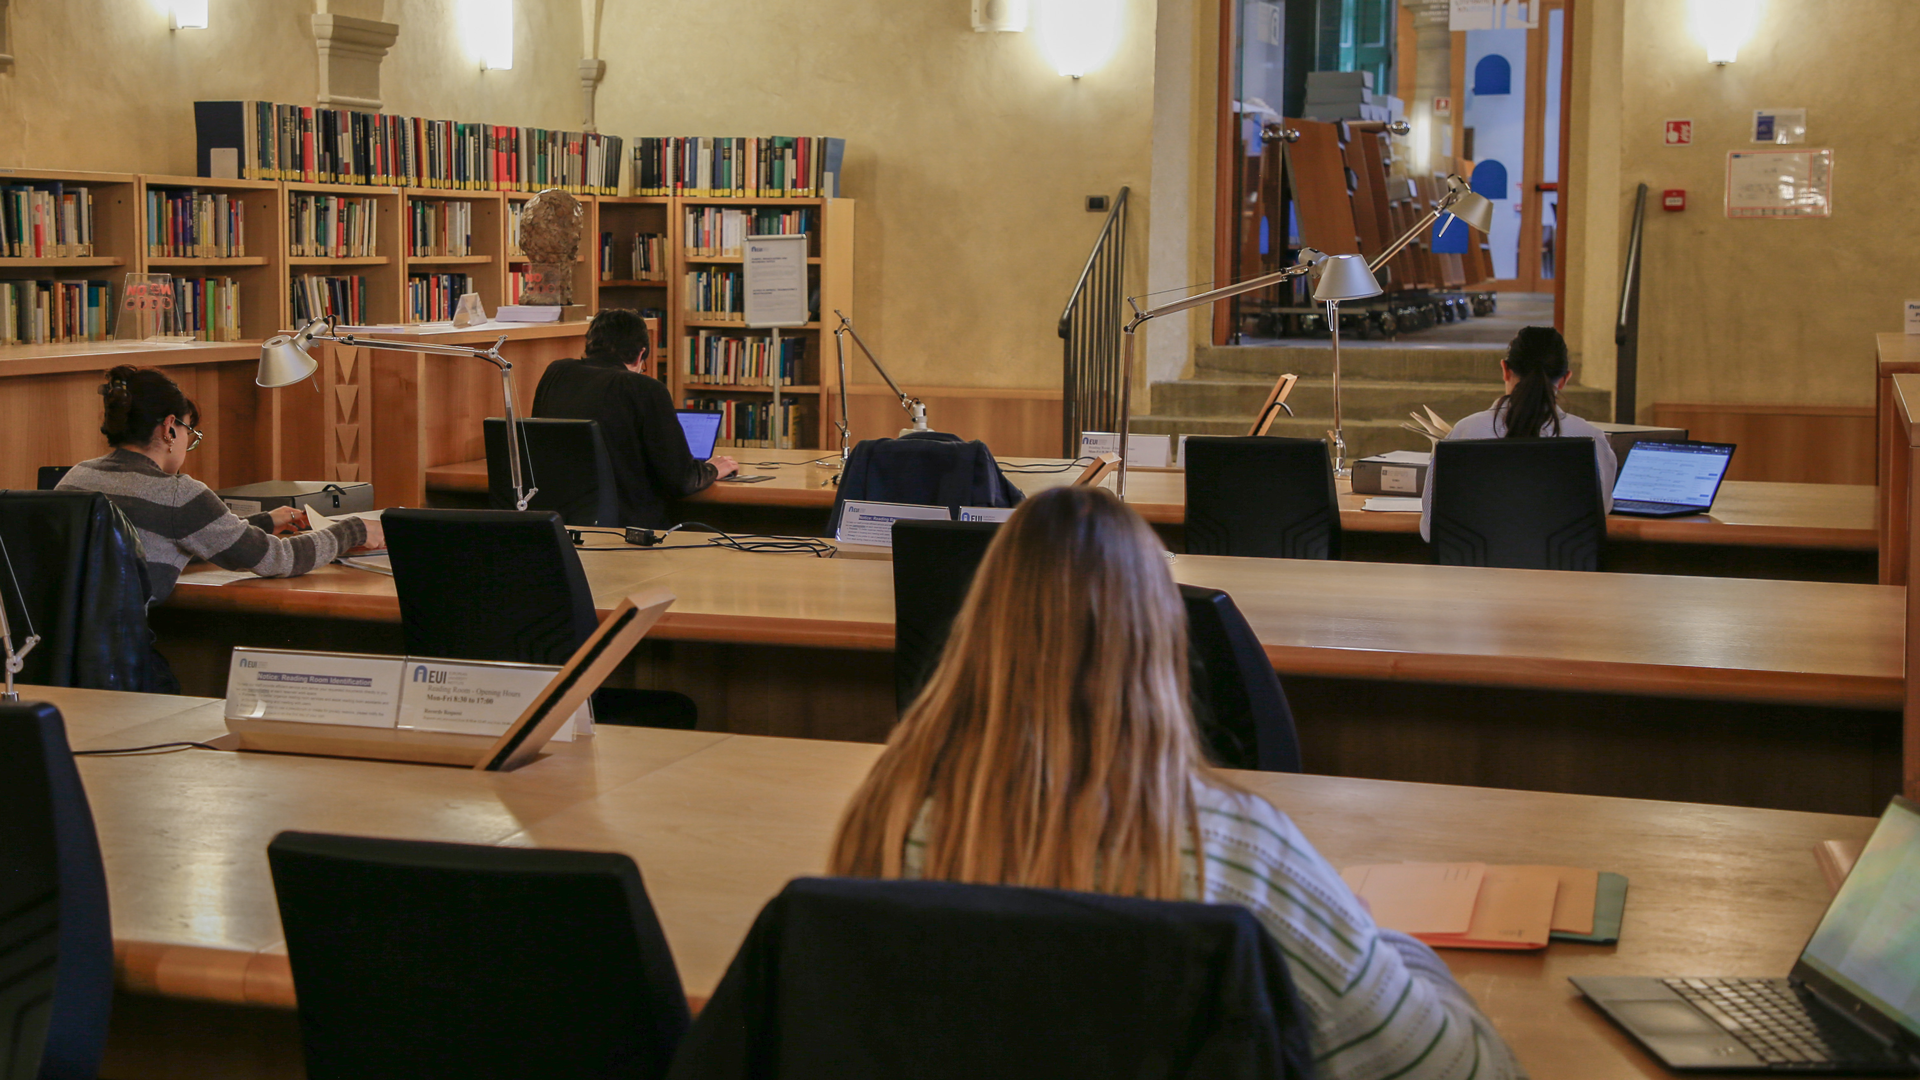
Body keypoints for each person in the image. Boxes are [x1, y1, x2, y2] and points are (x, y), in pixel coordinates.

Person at [830, 486, 1523, 1080]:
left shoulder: (888, 819)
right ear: (1159, 644)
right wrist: (1396, 948)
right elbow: (1460, 1070)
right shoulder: (1236, 852)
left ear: (977, 628)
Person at [58, 365, 379, 604]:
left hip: (56, 655)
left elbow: (169, 539)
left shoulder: (75, 479)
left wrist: (264, 522)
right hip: (124, 661)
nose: (188, 442)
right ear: (170, 428)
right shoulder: (177, 494)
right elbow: (279, 560)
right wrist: (352, 530)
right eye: (189, 432)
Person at [530, 308, 738, 528]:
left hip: (559, 520)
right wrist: (712, 468)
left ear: (589, 345)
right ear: (641, 354)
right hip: (629, 527)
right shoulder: (644, 388)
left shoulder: (556, 373)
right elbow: (680, 480)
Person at [1420, 325, 1617, 541]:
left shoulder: (1465, 432)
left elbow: (1431, 530)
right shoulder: (1590, 438)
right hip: (1564, 574)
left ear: (1505, 369)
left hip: (1475, 574)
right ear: (1564, 379)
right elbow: (1599, 513)